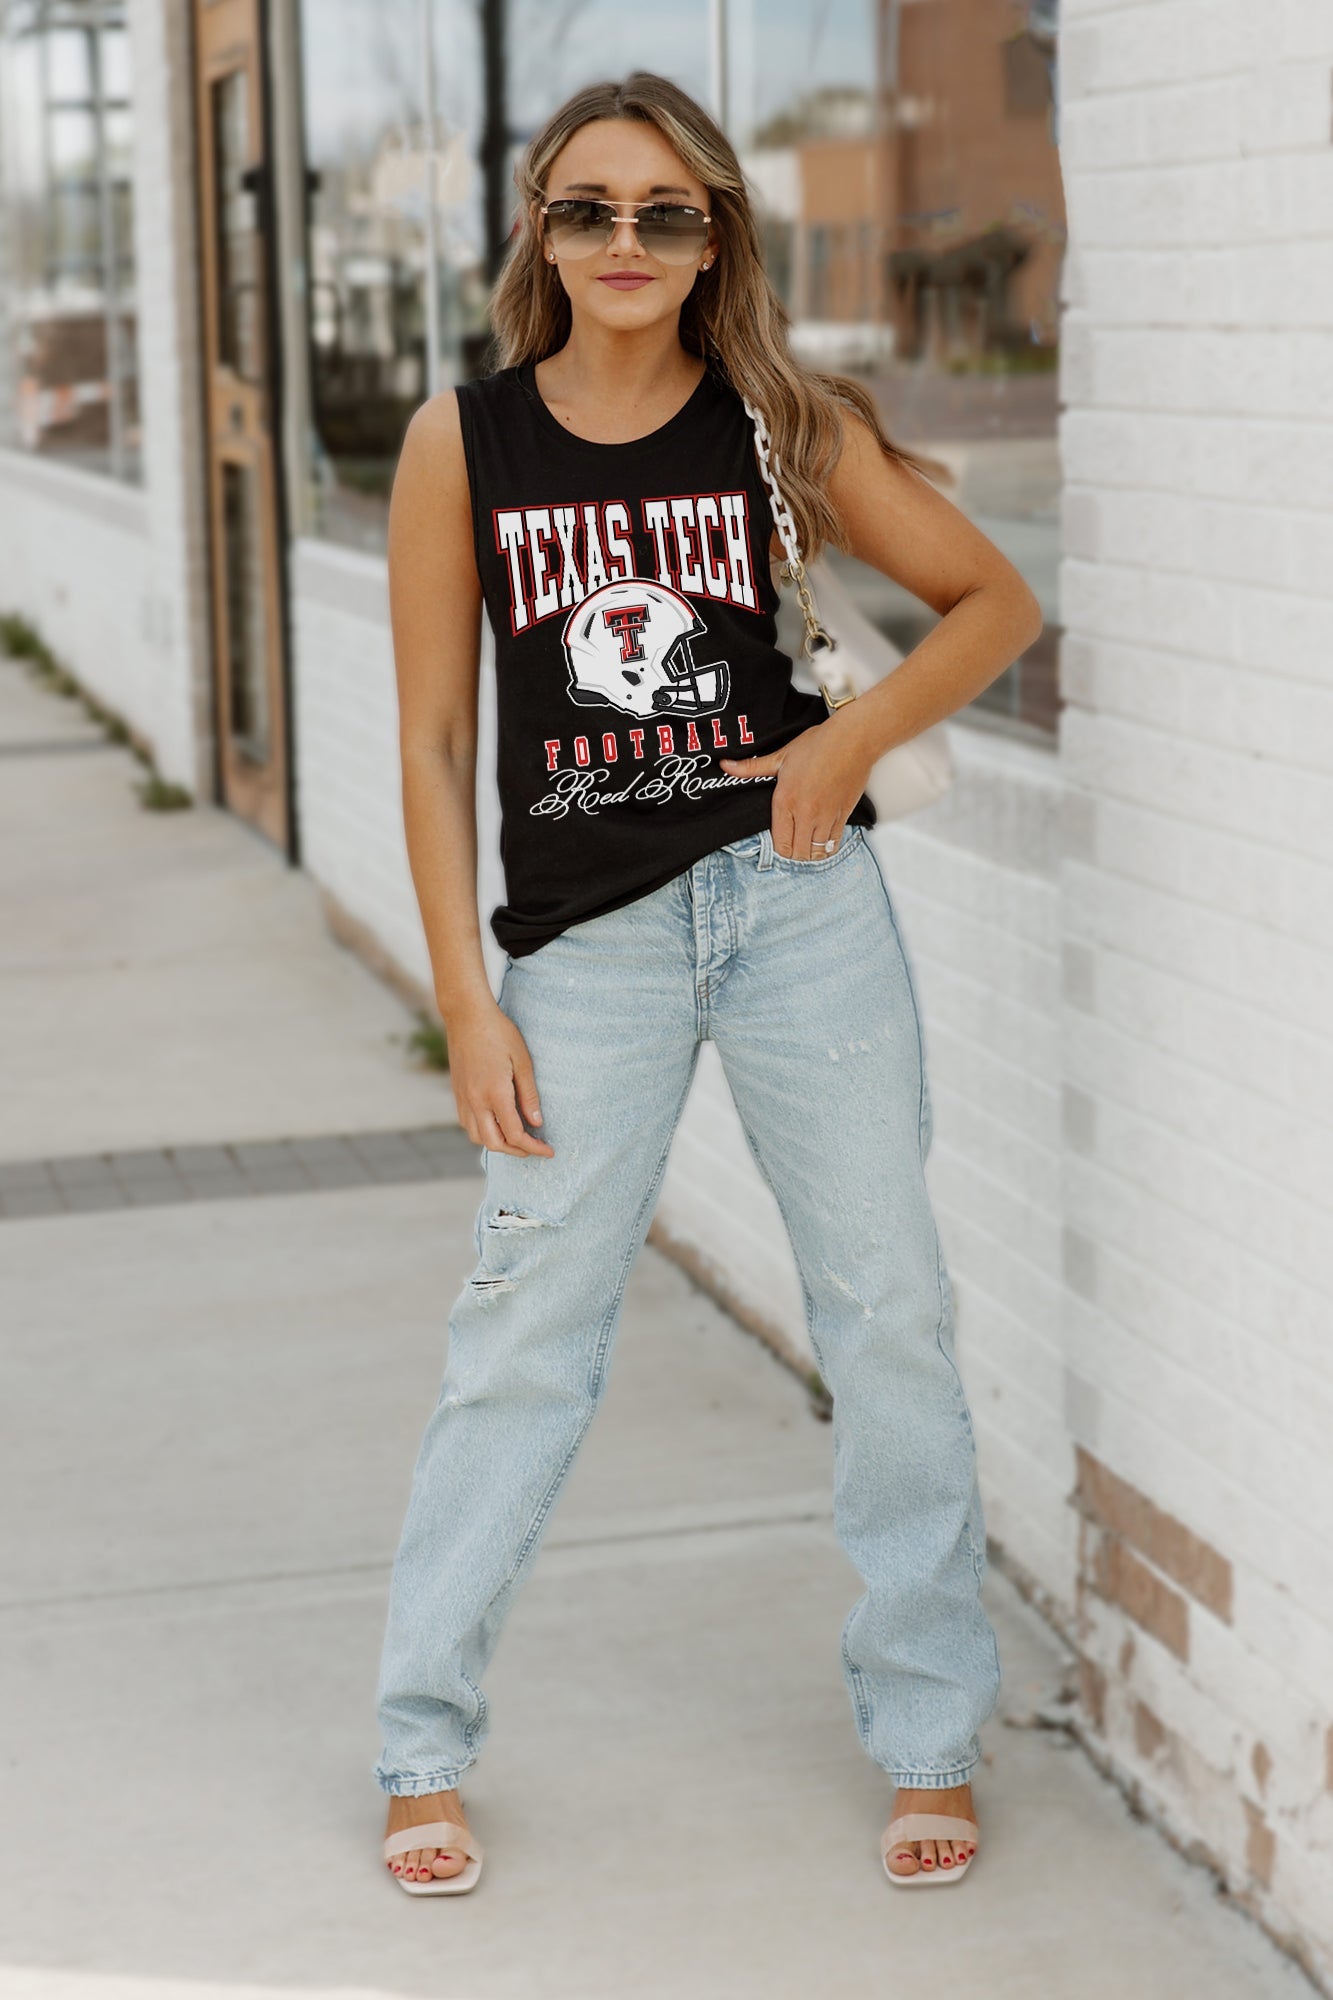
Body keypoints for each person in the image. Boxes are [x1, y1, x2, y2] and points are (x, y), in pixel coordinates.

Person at [373, 69, 1042, 1896]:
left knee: (886, 1312)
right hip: (580, 946)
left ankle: (927, 1731)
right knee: (522, 1336)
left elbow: (993, 602)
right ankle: (417, 1745)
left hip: (796, 905)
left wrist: (841, 751)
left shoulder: (775, 419)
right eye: (587, 209)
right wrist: (465, 996)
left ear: (714, 235)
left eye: (666, 213)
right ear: (538, 232)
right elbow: (435, 740)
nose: (624, 244)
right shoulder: (470, 444)